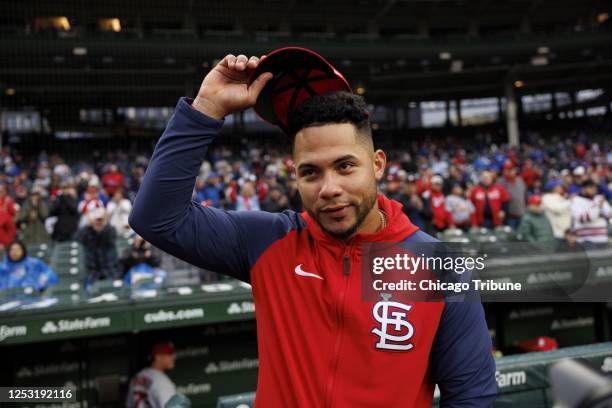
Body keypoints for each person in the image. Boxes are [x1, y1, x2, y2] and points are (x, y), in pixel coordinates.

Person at [129, 51, 496, 407]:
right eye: (311, 172)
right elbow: (157, 218)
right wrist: (206, 108)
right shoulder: (268, 241)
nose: (329, 188)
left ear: (378, 164)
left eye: (345, 166)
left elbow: (470, 397)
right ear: (295, 176)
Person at [74, 207, 120, 288]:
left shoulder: (109, 230)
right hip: (92, 273)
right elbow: (77, 237)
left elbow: (112, 235)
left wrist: (105, 224)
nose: (99, 222)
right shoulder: (87, 232)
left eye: (100, 220)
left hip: (110, 271)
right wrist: (89, 225)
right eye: (96, 220)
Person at [126, 341, 177, 408]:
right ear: (157, 357)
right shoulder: (162, 382)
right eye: (169, 354)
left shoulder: (137, 376)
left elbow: (128, 405)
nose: (173, 357)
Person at [570, 179, 611, 247]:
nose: (594, 189)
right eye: (591, 187)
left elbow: (609, 214)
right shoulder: (575, 200)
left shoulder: (599, 198)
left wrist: (601, 208)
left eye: (595, 187)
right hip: (586, 241)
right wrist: (598, 208)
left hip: (602, 239)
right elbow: (584, 219)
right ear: (583, 188)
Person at [498, 161, 527, 229]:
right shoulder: (500, 182)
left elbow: (525, 196)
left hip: (521, 214)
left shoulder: (520, 180)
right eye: (506, 170)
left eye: (511, 169)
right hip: (509, 216)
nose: (509, 172)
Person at [0, 183, 17, 250]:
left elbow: (14, 214)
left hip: (6, 228)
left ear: (4, 192)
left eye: (1, 191)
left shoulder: (8, 201)